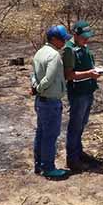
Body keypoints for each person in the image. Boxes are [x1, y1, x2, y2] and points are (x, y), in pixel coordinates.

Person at [31, 24, 73, 179]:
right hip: (50, 101)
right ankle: (48, 168)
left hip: (41, 101)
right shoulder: (54, 55)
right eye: (62, 40)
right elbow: (48, 79)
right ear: (54, 39)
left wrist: (35, 88)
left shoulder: (39, 52)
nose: (64, 43)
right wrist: (40, 88)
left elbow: (33, 74)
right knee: (50, 135)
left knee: (41, 134)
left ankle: (39, 165)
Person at [64, 20, 102, 171]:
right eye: (84, 36)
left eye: (88, 36)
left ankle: (79, 152)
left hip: (88, 90)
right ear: (75, 34)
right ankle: (72, 159)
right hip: (78, 93)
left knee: (82, 124)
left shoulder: (83, 46)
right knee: (75, 126)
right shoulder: (69, 50)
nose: (87, 39)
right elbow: (69, 75)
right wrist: (89, 73)